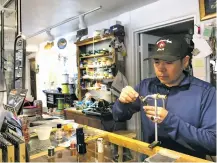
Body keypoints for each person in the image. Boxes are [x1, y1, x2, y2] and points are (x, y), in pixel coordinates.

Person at [112, 35, 216, 159]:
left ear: (185, 62)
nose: (161, 69)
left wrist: (169, 121)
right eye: (156, 62)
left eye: (169, 62)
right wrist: (122, 102)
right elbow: (118, 116)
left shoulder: (206, 93)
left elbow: (213, 144)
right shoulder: (145, 86)